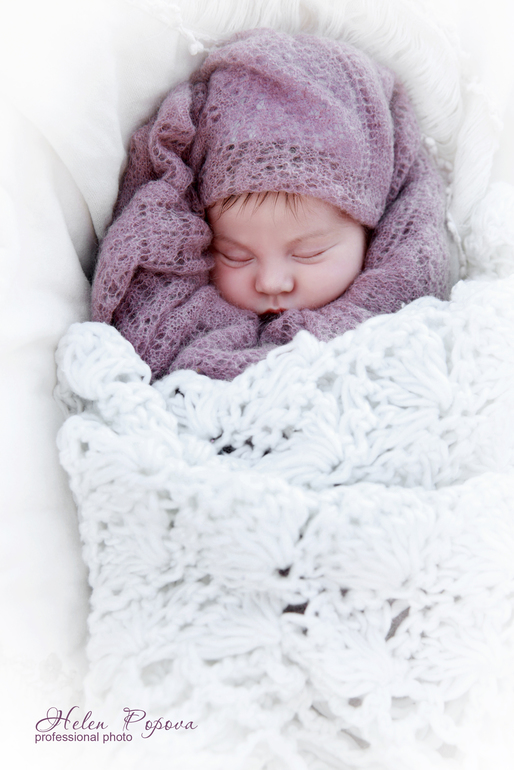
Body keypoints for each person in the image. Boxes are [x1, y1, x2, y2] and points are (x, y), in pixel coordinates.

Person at [91, 28, 450, 381]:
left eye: (309, 253)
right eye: (235, 255)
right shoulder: (177, 332)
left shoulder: (406, 327)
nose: (271, 282)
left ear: (371, 232)